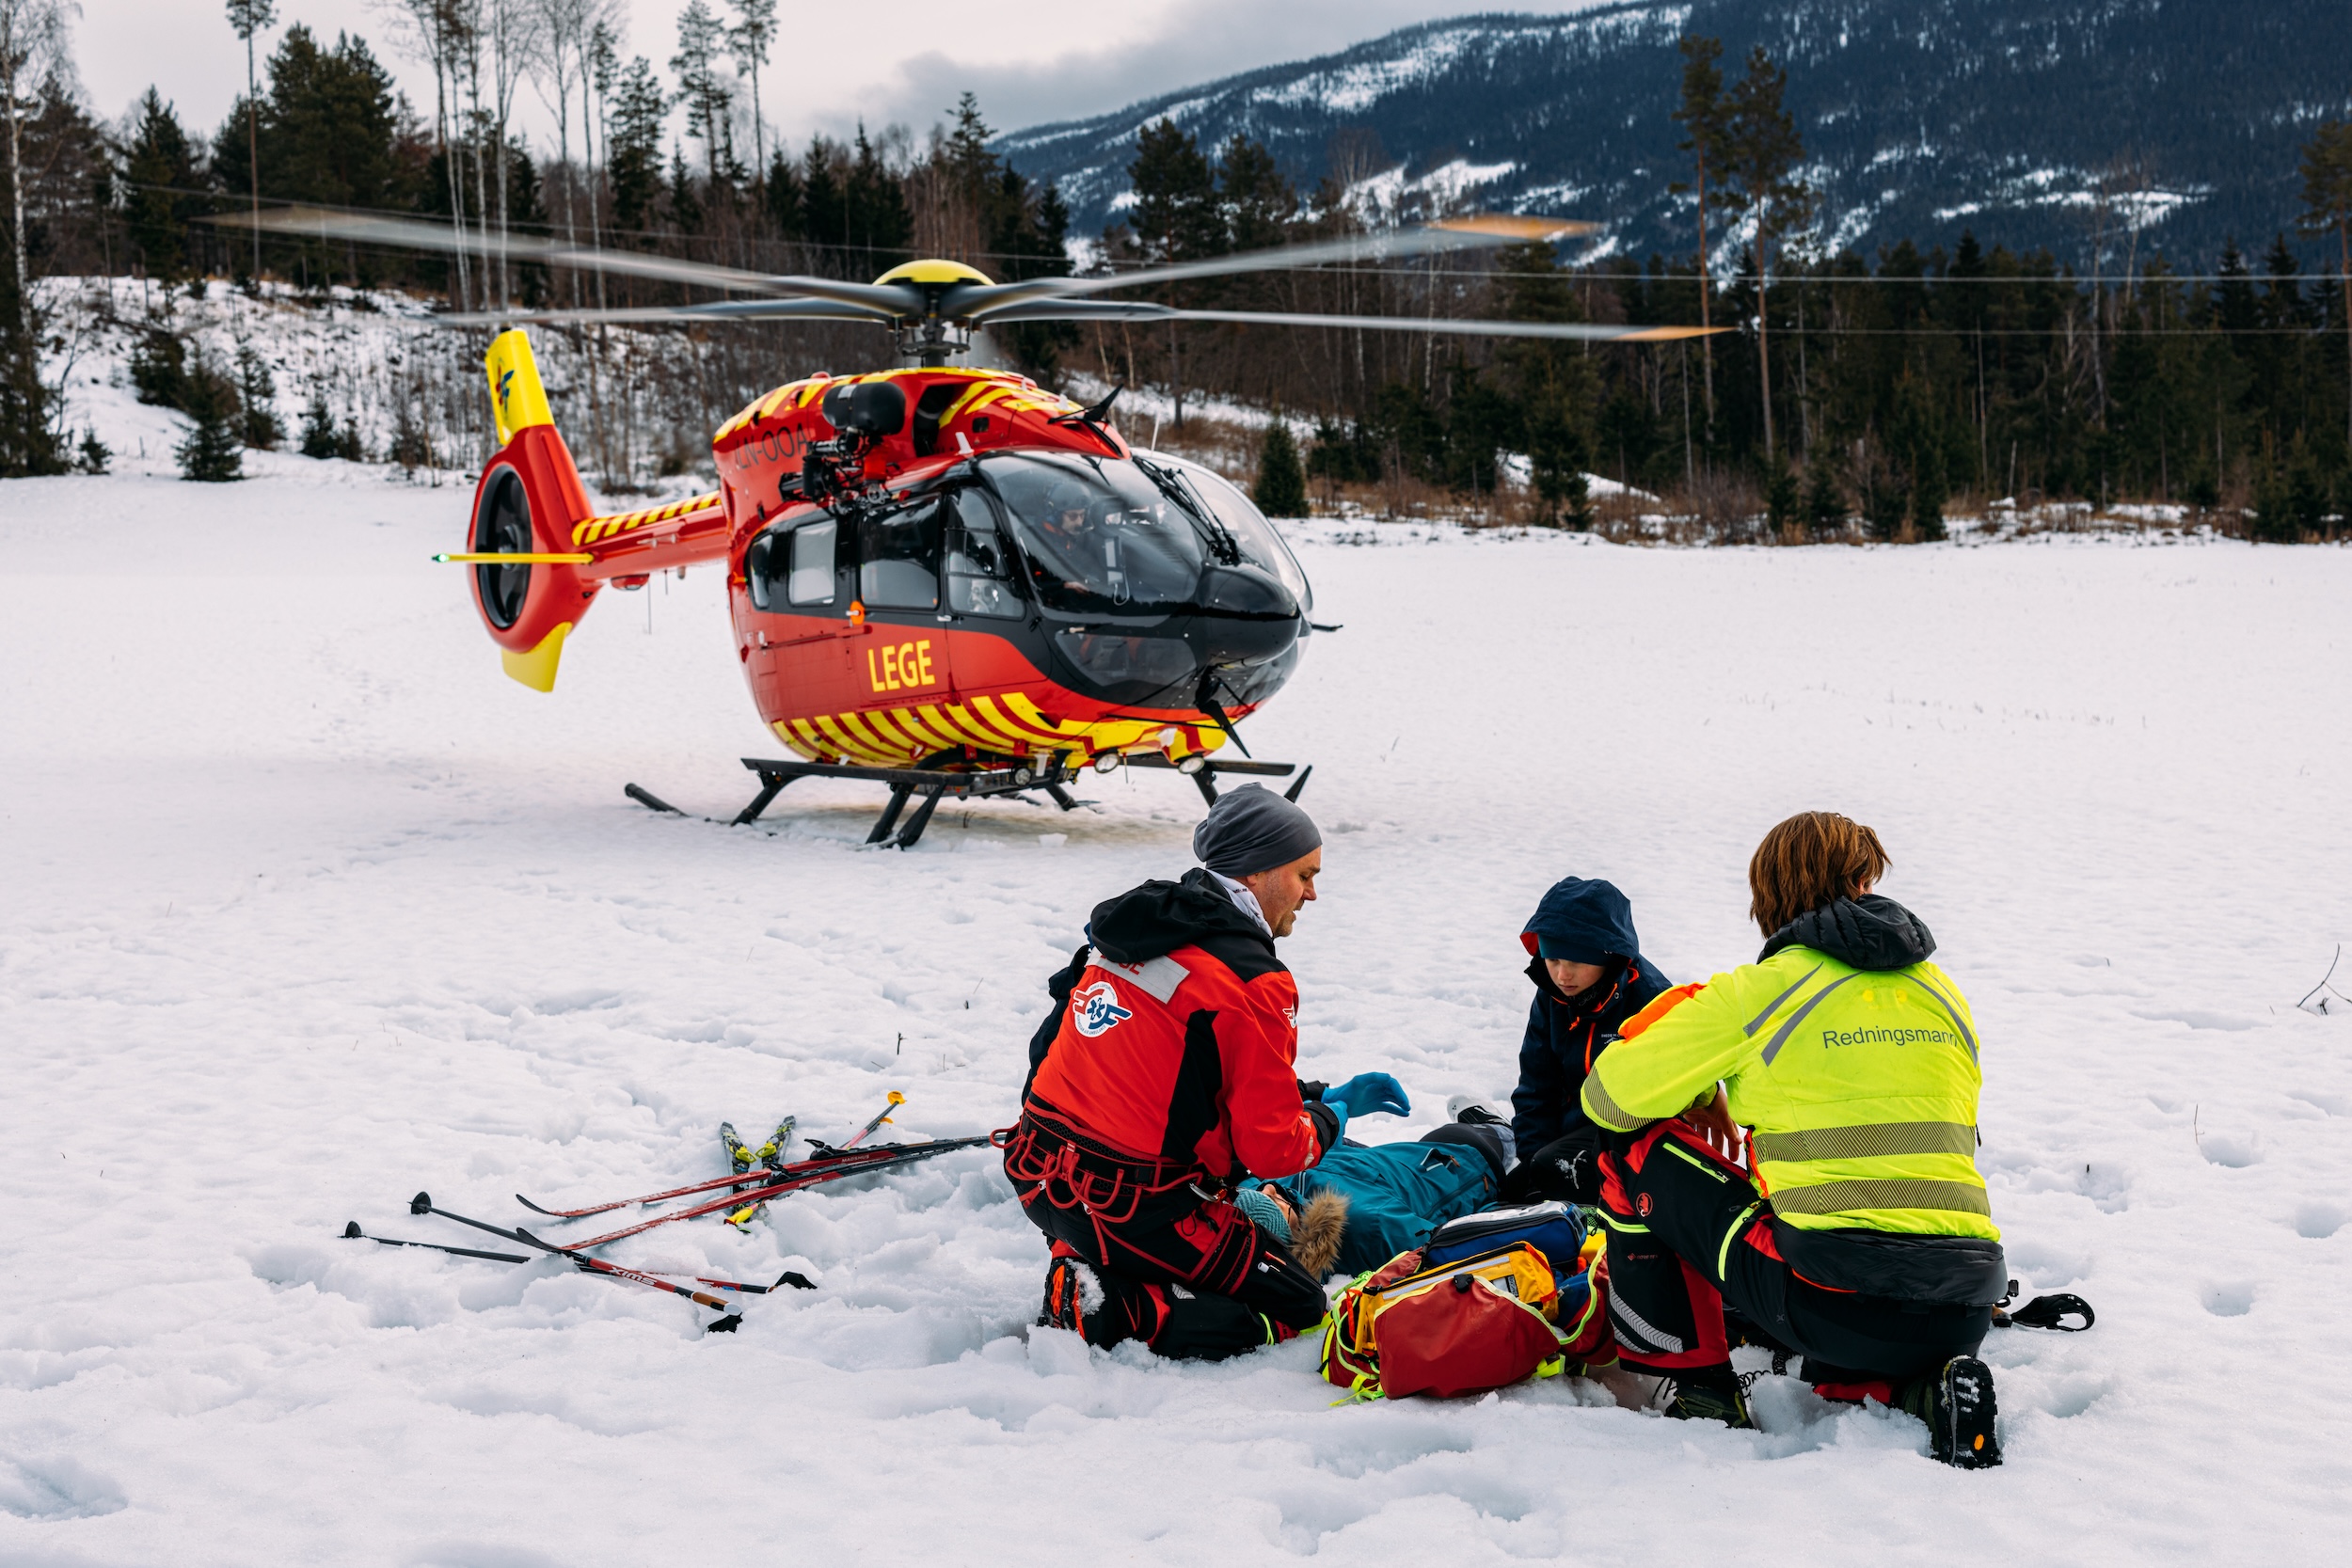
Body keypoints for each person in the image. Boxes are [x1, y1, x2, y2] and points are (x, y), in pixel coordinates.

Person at [1578, 811, 2007, 1467]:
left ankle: (1691, 1383)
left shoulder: (1765, 991)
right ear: (1865, 879)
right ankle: (1927, 1389)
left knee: (1630, 1153)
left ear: (1767, 897)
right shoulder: (1943, 993)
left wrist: (1696, 1087)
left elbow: (1609, 1099)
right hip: (1963, 1307)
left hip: (1833, 1302)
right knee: (1835, 1244)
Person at [1003, 784, 1410, 1359]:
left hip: (1038, 1170)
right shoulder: (1253, 978)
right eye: (1304, 874)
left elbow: (1151, 1066)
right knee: (1301, 1305)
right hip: (1135, 1207)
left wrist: (1315, 1094)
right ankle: (1116, 1309)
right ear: (1259, 871)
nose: (1312, 894)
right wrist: (1328, 1117)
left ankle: (1080, 1255)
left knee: (1205, 1221)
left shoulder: (1129, 932)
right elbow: (1273, 1151)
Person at [1499, 878, 1672, 1206]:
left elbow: (1664, 1103)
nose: (1562, 975)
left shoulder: (1650, 999)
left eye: (1575, 962)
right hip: (1563, 1143)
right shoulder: (1553, 996)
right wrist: (1535, 1163)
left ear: (1608, 956)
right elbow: (1536, 1088)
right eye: (1553, 961)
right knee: (1510, 1193)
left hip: (1631, 1148)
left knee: (1552, 1171)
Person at [1252, 1105, 1516, 1278]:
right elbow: (1449, 1245)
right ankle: (1498, 1126)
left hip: (1396, 1159)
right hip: (1469, 1165)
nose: (1269, 1188)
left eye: (1261, 1193)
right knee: (1508, 1139)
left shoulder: (1263, 1184)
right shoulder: (1371, 1225)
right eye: (1272, 1201)